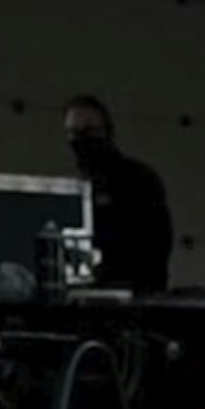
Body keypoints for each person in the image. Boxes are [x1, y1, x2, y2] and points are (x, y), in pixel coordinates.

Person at [63, 95, 174, 294]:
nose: (81, 141)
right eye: (73, 133)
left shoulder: (138, 179)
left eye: (90, 130)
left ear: (108, 131)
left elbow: (155, 246)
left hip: (134, 295)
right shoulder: (80, 187)